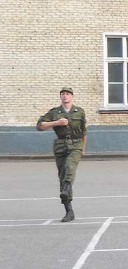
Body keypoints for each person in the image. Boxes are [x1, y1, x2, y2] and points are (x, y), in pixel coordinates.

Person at [36, 87, 87, 222]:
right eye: (63, 94)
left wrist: (83, 148)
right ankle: (69, 211)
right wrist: (56, 123)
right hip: (60, 146)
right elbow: (40, 126)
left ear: (72, 96)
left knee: (70, 167)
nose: (65, 96)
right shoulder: (54, 112)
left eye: (68, 94)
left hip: (76, 144)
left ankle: (66, 189)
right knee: (62, 175)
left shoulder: (79, 111)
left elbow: (84, 131)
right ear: (60, 97)